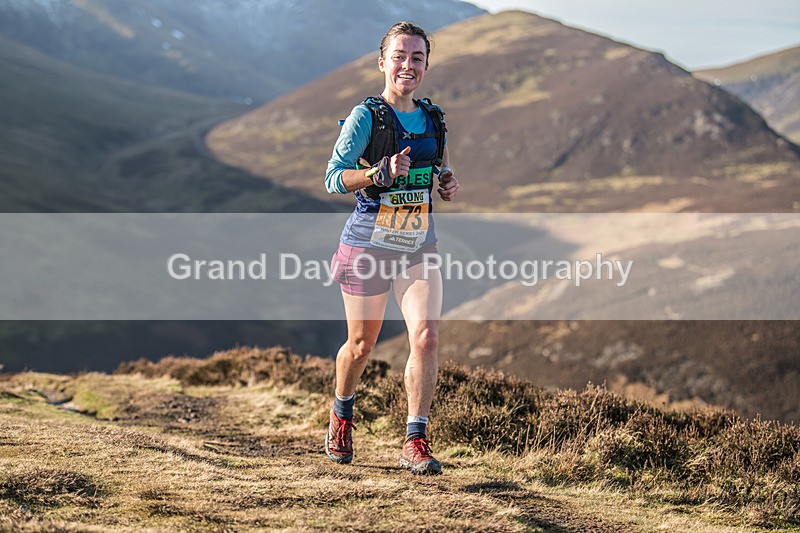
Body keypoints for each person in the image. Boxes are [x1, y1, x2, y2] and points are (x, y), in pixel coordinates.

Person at [323, 21, 460, 475]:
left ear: (425, 65)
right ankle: (342, 414)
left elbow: (437, 165)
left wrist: (445, 181)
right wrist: (378, 173)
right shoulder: (367, 117)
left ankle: (415, 441)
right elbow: (333, 177)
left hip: (418, 243)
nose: (408, 65)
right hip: (368, 242)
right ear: (383, 62)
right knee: (362, 345)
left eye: (417, 57)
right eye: (399, 56)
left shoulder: (435, 118)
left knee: (426, 336)